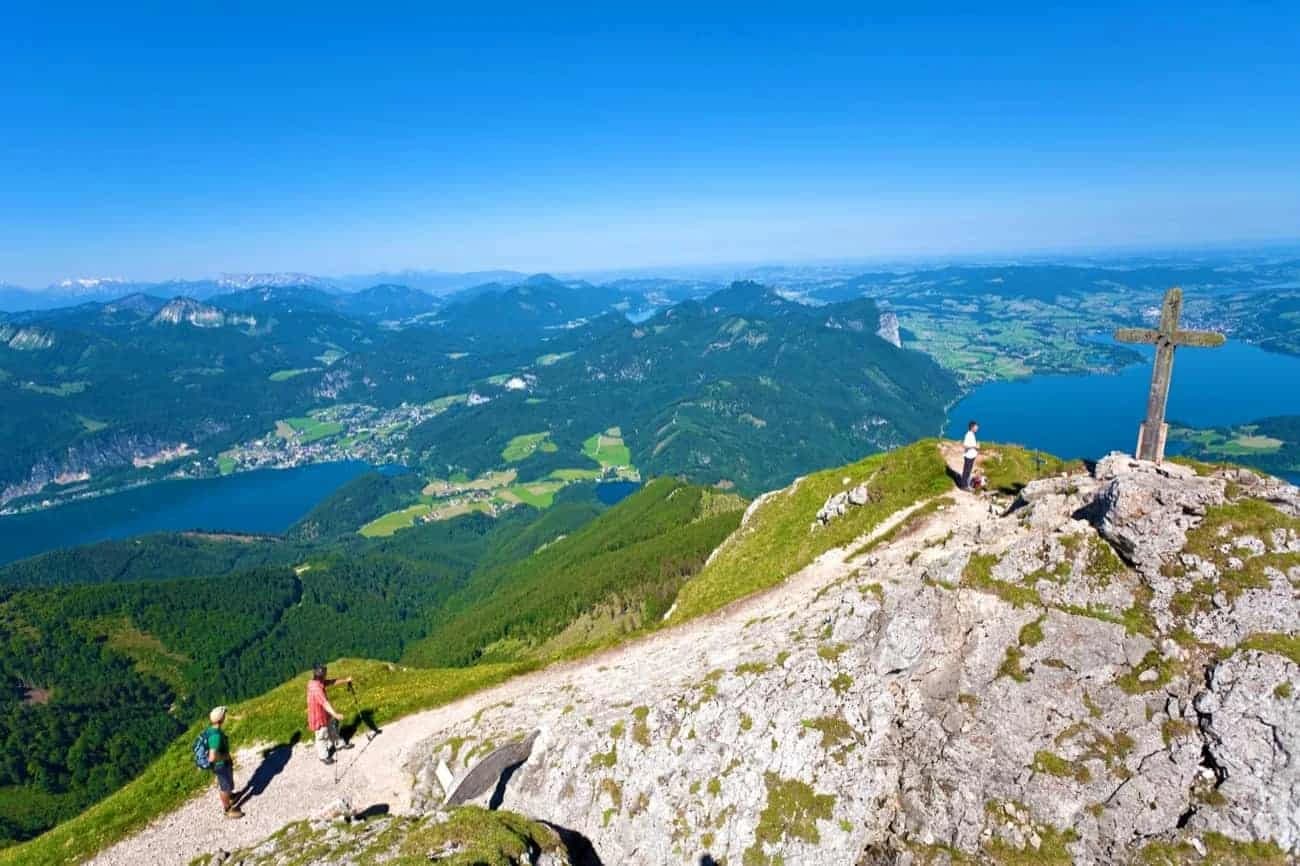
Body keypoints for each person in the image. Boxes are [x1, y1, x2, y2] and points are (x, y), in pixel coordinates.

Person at [307, 663, 354, 765]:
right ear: (320, 674)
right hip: (318, 716)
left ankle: (339, 744)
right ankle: (323, 756)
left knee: (332, 728)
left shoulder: (319, 681)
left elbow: (332, 682)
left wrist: (345, 680)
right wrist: (336, 714)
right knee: (322, 735)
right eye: (325, 673)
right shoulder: (316, 688)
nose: (326, 675)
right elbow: (325, 703)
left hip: (325, 713)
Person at [207, 706, 243, 818]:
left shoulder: (211, 730)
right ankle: (227, 809)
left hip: (222, 764)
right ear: (221, 719)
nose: (225, 716)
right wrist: (225, 757)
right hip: (221, 765)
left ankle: (231, 796)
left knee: (227, 784)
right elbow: (212, 757)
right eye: (224, 715)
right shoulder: (216, 736)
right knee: (225, 787)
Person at [960, 420, 980, 490]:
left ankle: (966, 484)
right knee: (966, 471)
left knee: (968, 471)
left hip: (971, 456)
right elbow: (965, 446)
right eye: (976, 427)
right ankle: (963, 486)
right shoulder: (968, 435)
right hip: (968, 456)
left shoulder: (972, 434)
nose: (977, 428)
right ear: (972, 427)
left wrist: (976, 447)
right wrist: (974, 447)